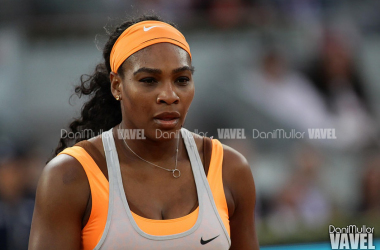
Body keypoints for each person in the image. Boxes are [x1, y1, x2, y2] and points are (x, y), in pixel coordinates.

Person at [28, 15, 259, 250]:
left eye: (181, 79)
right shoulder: (69, 176)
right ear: (117, 85)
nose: (169, 96)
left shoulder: (230, 169)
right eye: (149, 80)